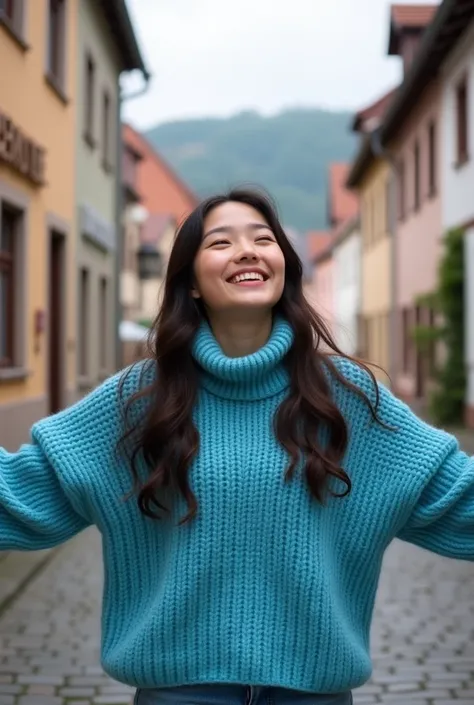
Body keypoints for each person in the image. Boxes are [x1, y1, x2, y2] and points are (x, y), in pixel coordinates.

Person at [0, 189, 473, 705]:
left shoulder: (349, 400)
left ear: (284, 269)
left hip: (313, 693)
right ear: (192, 283)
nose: (247, 251)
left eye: (264, 239)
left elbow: (458, 500)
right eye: (221, 242)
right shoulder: (137, 402)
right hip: (178, 693)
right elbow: (20, 496)